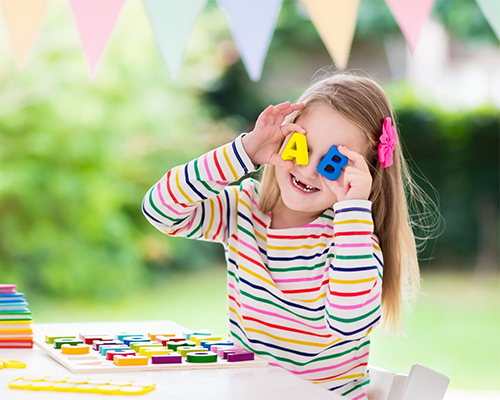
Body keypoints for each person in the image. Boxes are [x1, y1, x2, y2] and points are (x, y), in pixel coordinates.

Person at [142, 71, 427, 399]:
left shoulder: (350, 241)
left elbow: (351, 323)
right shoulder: (243, 211)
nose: (307, 170)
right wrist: (244, 152)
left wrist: (354, 209)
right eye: (300, 148)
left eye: (332, 163)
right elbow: (159, 209)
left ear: (364, 175)